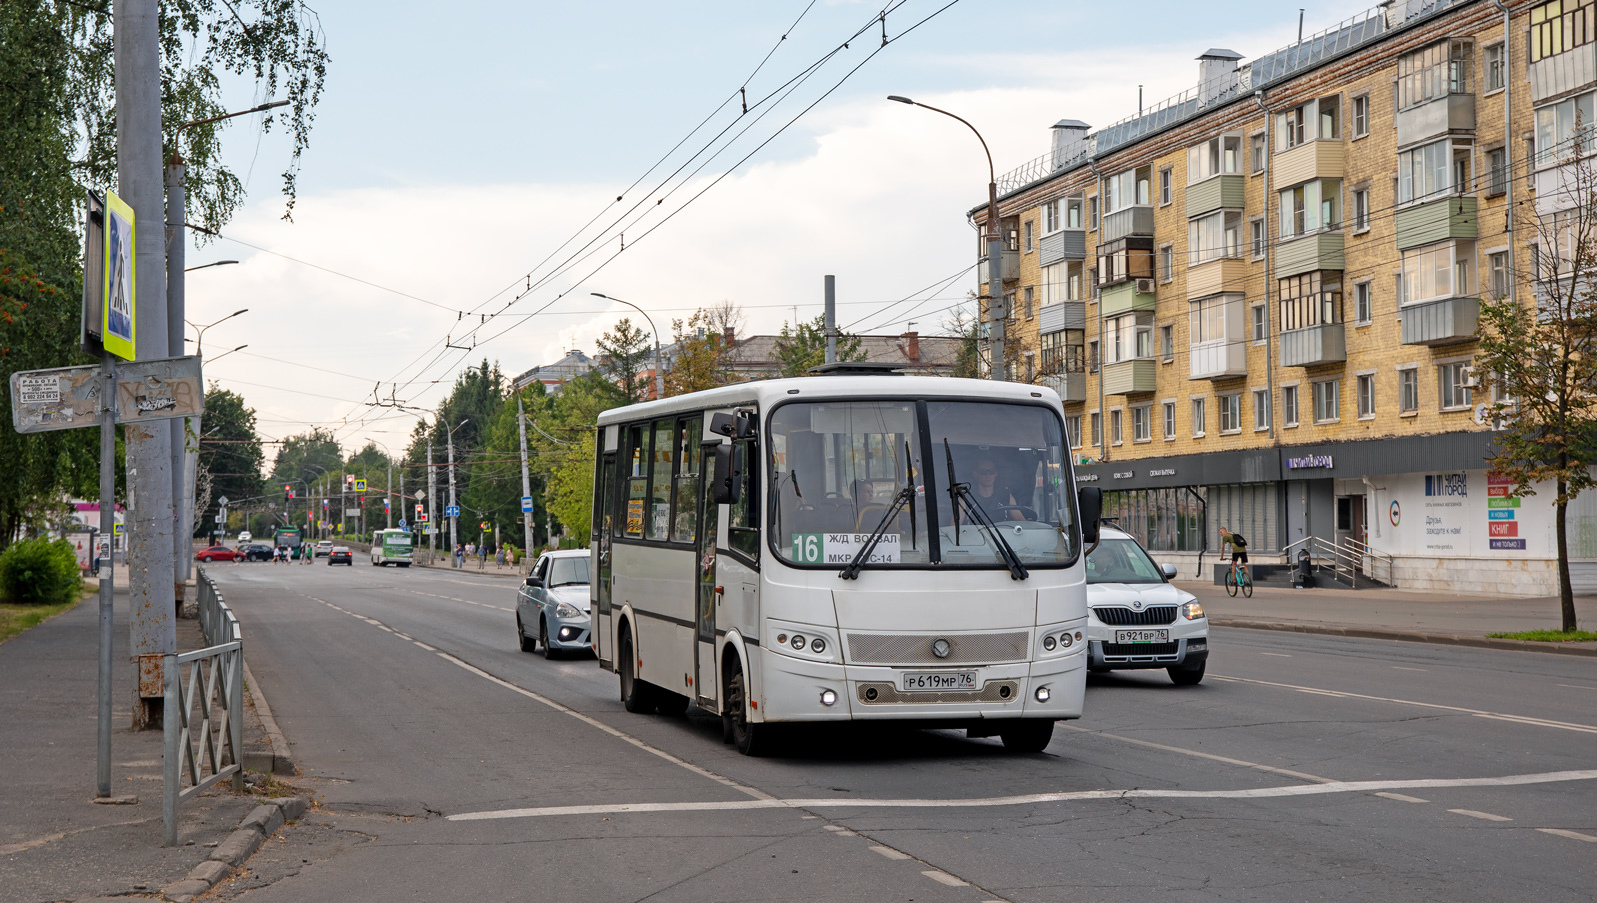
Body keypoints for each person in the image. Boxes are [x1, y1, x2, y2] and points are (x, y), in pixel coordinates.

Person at [970, 457, 1027, 521]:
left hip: (1001, 531)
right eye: (983, 471)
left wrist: (1028, 525)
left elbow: (1021, 521)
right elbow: (957, 526)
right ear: (975, 474)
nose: (988, 475)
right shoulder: (967, 497)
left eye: (991, 471)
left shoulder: (1006, 495)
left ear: (996, 473)